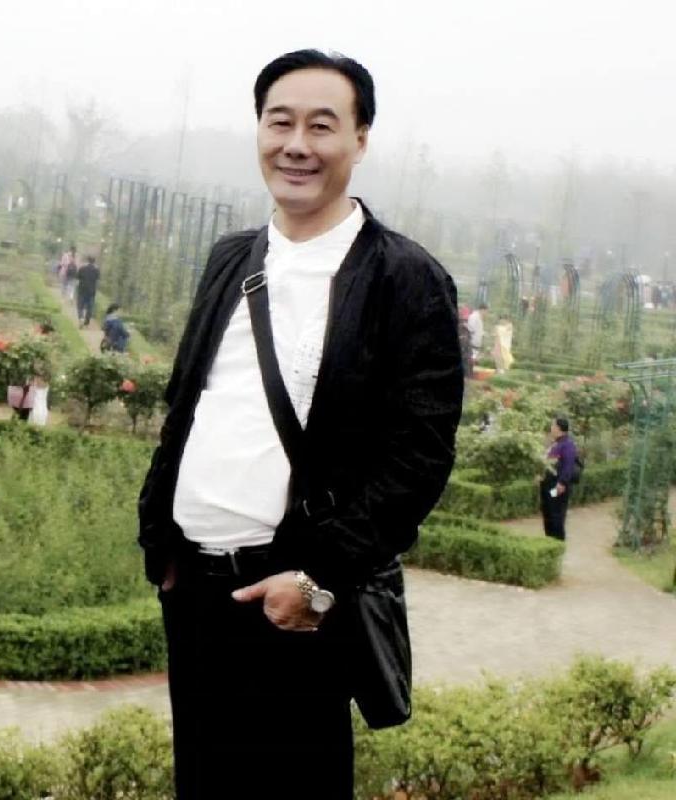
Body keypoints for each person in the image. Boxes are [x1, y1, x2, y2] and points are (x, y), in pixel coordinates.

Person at [137, 49, 464, 800]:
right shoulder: (233, 258)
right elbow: (187, 407)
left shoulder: (404, 279)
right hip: (194, 590)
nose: (296, 145)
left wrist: (317, 581)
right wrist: (161, 543)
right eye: (279, 122)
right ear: (258, 129)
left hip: (296, 603)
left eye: (322, 126)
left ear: (360, 139)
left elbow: (418, 457)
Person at [540, 416, 578, 540]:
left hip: (557, 486)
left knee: (555, 512)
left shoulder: (567, 444)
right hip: (548, 485)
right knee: (548, 511)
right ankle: (549, 541)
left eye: (553, 425)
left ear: (558, 428)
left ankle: (557, 541)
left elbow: (568, 465)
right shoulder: (556, 443)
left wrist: (562, 483)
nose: (551, 428)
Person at [76, 255, 100, 327]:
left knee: (80, 306)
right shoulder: (96, 270)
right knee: (90, 307)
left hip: (82, 290)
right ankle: (86, 322)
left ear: (87, 260)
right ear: (94, 262)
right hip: (91, 292)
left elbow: (77, 277)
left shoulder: (82, 268)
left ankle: (81, 318)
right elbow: (97, 280)